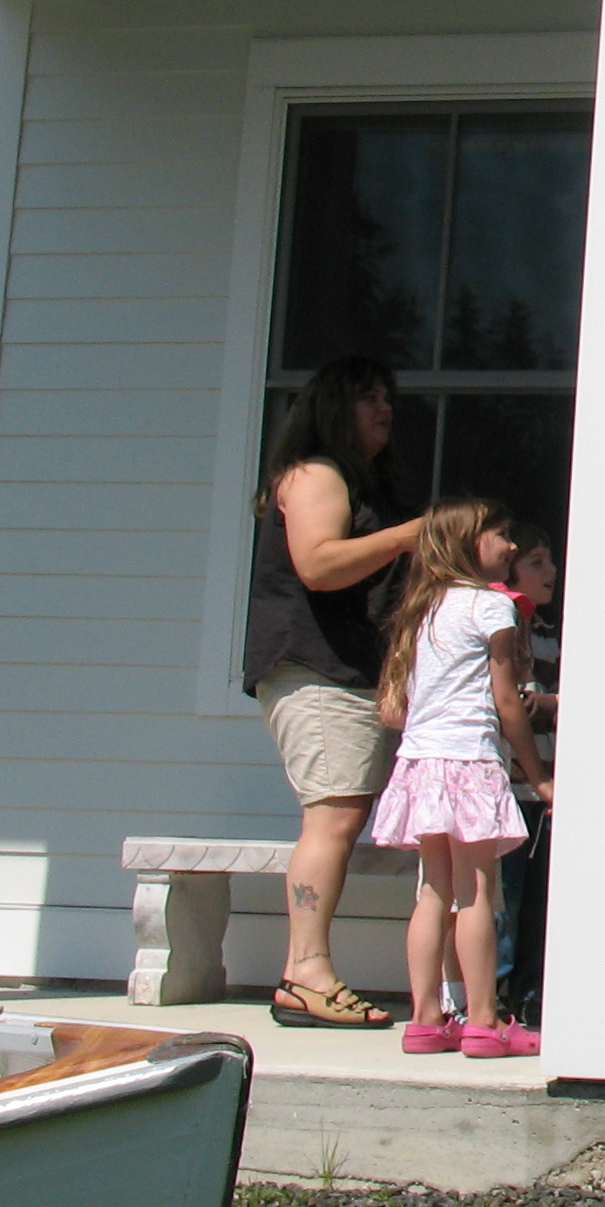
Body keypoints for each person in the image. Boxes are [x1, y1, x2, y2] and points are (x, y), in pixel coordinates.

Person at [244, 353, 425, 1031]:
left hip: (349, 673)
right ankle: (305, 974)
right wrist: (408, 535)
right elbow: (318, 564)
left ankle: (308, 970)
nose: (384, 408)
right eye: (367, 397)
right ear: (331, 408)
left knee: (341, 815)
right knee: (334, 817)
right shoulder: (317, 473)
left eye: (386, 396)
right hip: (315, 670)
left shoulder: (365, 483)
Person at [365, 496, 549, 1057]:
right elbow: (507, 702)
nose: (511, 545)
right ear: (470, 545)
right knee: (477, 894)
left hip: (421, 764)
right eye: (500, 535)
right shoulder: (490, 607)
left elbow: (397, 706)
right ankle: (484, 1021)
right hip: (469, 761)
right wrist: (537, 774)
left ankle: (425, 1018)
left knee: (433, 892)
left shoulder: (421, 607)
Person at [497, 532, 560, 1028]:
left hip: (545, 788)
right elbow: (505, 705)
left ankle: (530, 992)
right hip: (504, 789)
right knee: (506, 899)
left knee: (539, 900)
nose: (551, 571)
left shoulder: (549, 633)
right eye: (536, 562)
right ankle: (495, 994)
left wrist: (550, 704)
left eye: (551, 561)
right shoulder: (498, 627)